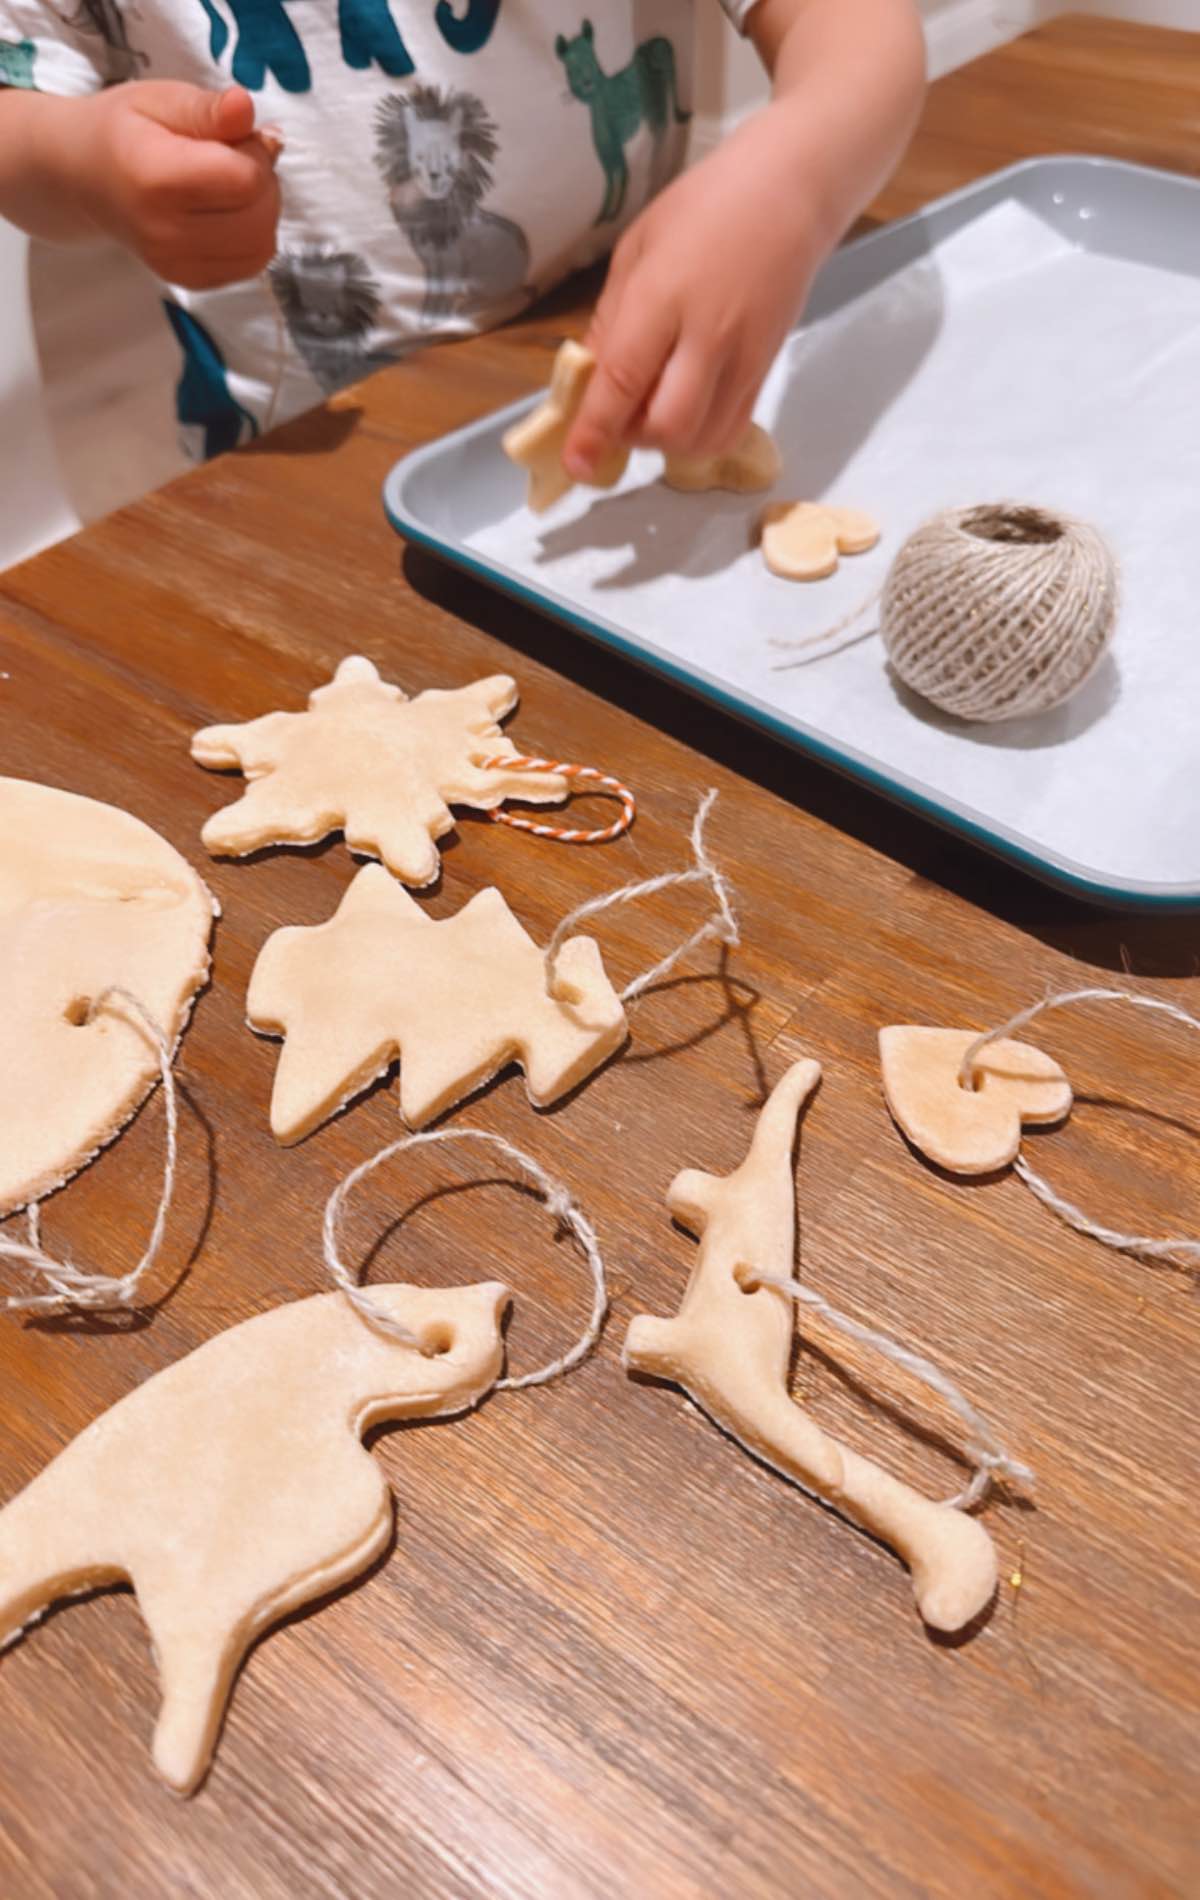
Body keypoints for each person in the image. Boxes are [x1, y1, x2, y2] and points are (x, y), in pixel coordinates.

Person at [0, 0, 924, 470]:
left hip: (635, 353)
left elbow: (849, 25)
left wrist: (796, 177)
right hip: (301, 446)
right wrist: (86, 167)